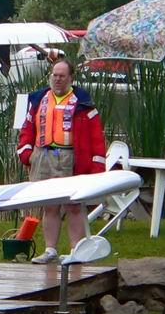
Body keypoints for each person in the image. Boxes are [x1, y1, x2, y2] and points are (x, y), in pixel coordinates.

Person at [16, 59, 107, 264]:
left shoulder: (83, 103)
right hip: (43, 156)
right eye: (54, 75)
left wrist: (97, 165)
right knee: (49, 206)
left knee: (74, 205)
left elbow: (96, 136)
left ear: (70, 78)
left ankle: (76, 251)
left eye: (62, 76)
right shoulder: (39, 100)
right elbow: (27, 128)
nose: (57, 79)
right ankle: (50, 250)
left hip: (71, 158)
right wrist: (26, 152)